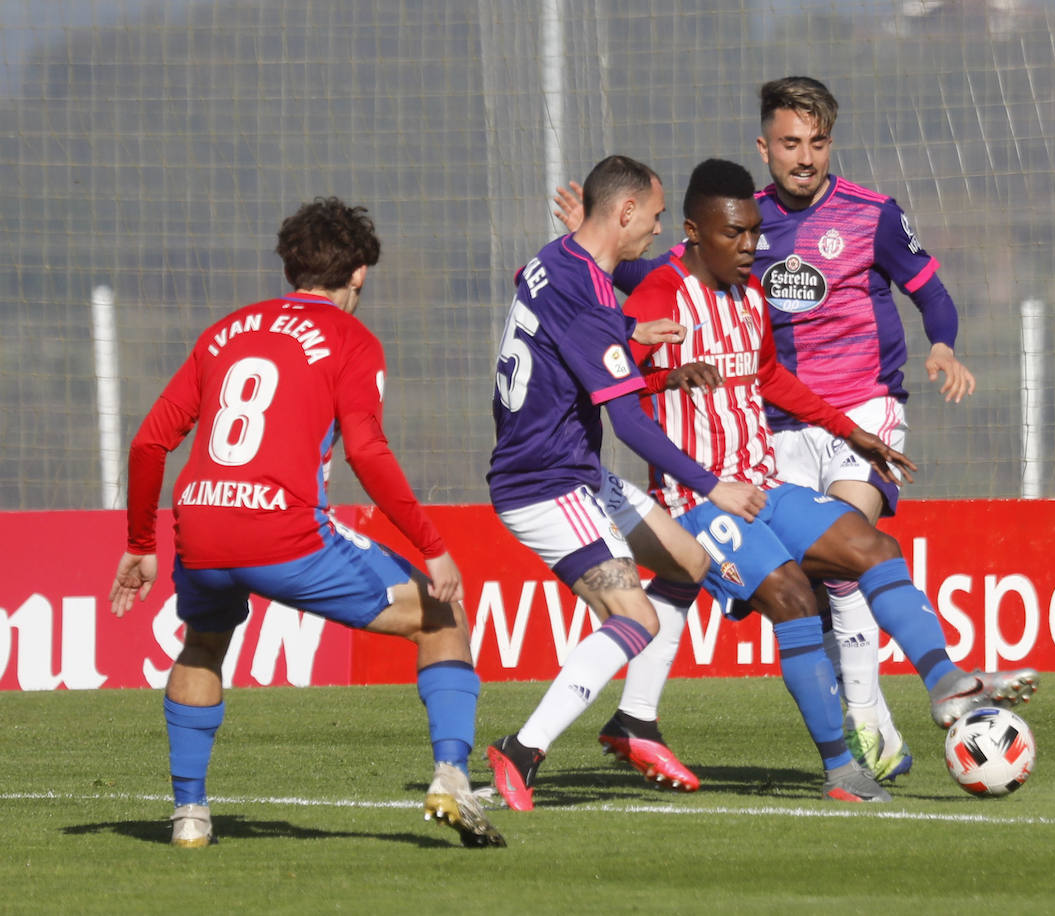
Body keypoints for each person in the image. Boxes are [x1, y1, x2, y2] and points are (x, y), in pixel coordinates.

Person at [553, 76, 984, 780]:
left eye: (817, 143)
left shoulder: (866, 216)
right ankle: (639, 717)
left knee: (853, 556)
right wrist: (591, 245)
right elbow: (651, 289)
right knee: (770, 586)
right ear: (766, 147)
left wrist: (940, 345)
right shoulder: (735, 222)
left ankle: (890, 713)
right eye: (789, 143)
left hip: (859, 406)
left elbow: (929, 290)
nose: (804, 157)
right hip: (765, 434)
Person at [614, 158, 1037, 797]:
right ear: (693, 232)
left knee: (873, 548)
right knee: (790, 596)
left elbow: (772, 379)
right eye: (735, 234)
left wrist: (851, 431)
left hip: (761, 486)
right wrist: (660, 378)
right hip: (697, 502)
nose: (752, 246)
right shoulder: (659, 295)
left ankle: (945, 680)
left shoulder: (750, 296)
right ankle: (842, 766)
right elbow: (608, 382)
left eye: (756, 232)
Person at [107, 197, 504, 849]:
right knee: (442, 619)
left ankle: (189, 816)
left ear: (291, 266)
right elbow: (367, 451)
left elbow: (150, 443)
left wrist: (139, 542)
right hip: (282, 529)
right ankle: (452, 778)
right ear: (359, 275)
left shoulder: (224, 331)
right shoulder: (352, 339)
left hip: (201, 524)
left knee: (203, 644)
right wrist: (432, 548)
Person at [482, 155, 767, 811]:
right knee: (632, 614)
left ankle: (634, 720)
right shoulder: (586, 291)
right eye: (657, 217)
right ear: (626, 212)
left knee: (688, 563)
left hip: (571, 469)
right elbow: (631, 423)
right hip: (545, 483)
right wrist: (711, 485)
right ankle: (520, 753)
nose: (660, 233)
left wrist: (627, 328)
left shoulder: (555, 262)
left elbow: (557, 306)